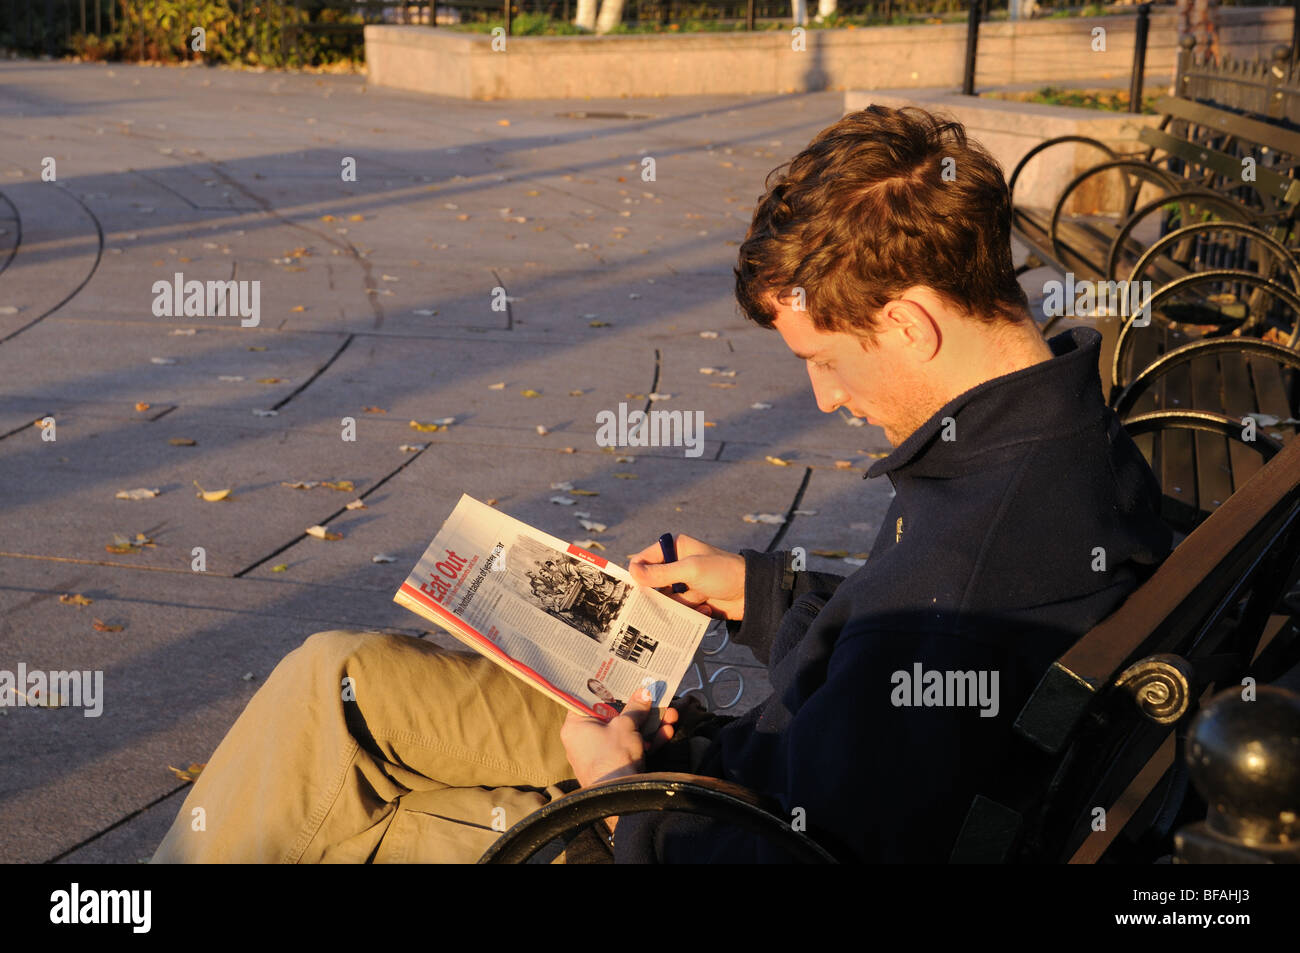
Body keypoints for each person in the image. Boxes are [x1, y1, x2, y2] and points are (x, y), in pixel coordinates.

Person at [151, 105, 1171, 864]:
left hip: (687, 822)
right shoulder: (1052, 436)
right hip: (724, 766)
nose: (822, 398)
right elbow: (904, 679)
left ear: (906, 321)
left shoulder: (969, 555)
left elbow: (793, 850)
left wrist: (616, 786)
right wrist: (755, 591)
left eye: (823, 356)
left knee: (325, 802)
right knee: (342, 676)